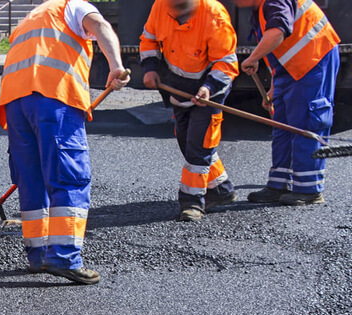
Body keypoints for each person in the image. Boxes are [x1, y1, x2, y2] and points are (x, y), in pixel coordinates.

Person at [0, 0, 129, 285]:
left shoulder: (31, 18)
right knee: (69, 177)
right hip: (53, 98)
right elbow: (101, 26)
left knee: (31, 179)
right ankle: (64, 257)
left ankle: (38, 255)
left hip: (16, 102)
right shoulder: (74, 6)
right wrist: (116, 65)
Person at [231, 0, 340, 206]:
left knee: (307, 121)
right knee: (282, 124)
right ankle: (279, 184)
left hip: (315, 57)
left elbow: (278, 33)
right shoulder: (260, 9)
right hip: (289, 68)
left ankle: (309, 189)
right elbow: (279, 51)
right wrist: (274, 87)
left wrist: (253, 58)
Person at [140, 0, 240, 222]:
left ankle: (192, 202)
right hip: (178, 88)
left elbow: (226, 63)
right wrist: (149, 68)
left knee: (199, 146)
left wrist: (208, 87)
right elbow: (149, 39)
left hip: (210, 91)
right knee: (187, 142)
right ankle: (222, 189)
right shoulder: (161, 6)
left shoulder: (214, 15)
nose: (177, 12)